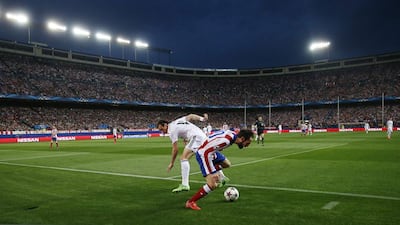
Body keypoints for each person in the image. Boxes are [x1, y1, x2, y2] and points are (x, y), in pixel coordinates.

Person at [157, 113, 229, 193]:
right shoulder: (177, 121)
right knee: (209, 157)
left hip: (196, 137)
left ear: (165, 125)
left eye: (162, 129)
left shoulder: (171, 130)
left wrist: (172, 163)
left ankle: (185, 184)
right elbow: (190, 116)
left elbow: (175, 149)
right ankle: (222, 178)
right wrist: (202, 119)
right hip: (202, 136)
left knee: (183, 158)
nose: (163, 132)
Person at [185, 129, 254, 210]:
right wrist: (213, 171)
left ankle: (216, 173)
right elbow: (206, 152)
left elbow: (217, 133)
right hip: (204, 154)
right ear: (242, 139)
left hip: (211, 152)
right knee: (212, 184)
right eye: (247, 143)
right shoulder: (226, 141)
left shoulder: (232, 134)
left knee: (227, 164)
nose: (247, 145)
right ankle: (190, 202)